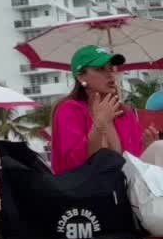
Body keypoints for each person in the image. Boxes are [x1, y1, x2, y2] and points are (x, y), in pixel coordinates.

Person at [51, 46, 160, 174]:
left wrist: (147, 147)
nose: (110, 74)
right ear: (81, 77)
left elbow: (133, 161)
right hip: (87, 184)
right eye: (100, 69)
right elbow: (72, 163)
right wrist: (98, 126)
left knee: (159, 148)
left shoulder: (124, 112)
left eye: (111, 68)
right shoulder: (69, 110)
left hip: (125, 182)